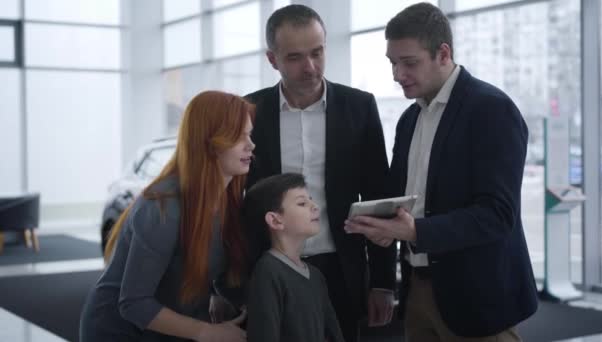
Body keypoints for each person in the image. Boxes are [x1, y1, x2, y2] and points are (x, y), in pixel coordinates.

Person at [344, 3, 538, 342]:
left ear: (443, 53)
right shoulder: (409, 120)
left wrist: (415, 230)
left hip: (477, 299)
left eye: (409, 62)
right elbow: (406, 201)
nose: (396, 74)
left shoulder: (492, 110)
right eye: (392, 62)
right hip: (418, 293)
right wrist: (383, 227)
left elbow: (497, 214)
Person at [245, 4, 396, 341]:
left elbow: (378, 197)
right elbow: (233, 203)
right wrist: (223, 284)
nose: (310, 67)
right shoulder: (249, 112)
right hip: (270, 267)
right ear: (273, 60)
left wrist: (384, 281)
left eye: (317, 52)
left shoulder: (359, 107)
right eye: (296, 57)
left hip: (341, 267)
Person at [80, 91, 255, 342]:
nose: (251, 145)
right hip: (119, 331)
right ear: (209, 141)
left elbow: (205, 267)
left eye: (249, 134)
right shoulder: (162, 207)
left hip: (172, 326)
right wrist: (207, 332)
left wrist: (220, 296)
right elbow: (134, 304)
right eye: (239, 136)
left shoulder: (229, 199)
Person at [243, 173, 344, 342]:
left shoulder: (315, 275)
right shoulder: (268, 272)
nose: (315, 206)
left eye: (311, 200)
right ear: (275, 220)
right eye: (302, 203)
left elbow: (333, 334)